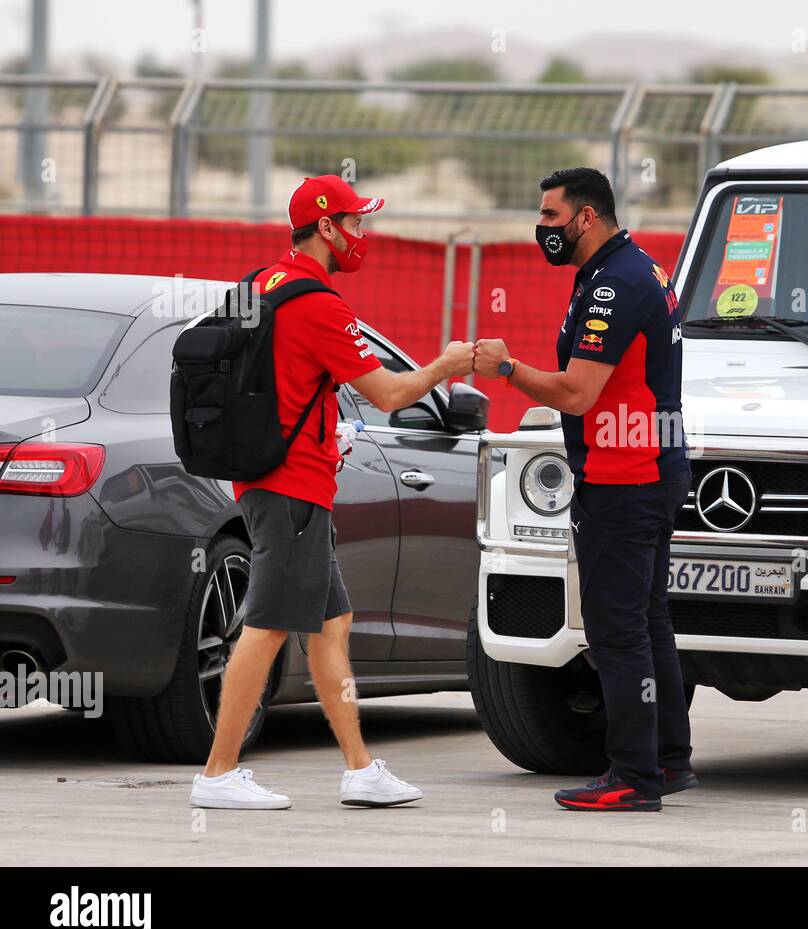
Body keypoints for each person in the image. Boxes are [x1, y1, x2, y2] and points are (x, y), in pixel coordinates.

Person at [190, 174, 475, 810]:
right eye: (356, 224)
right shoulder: (318, 303)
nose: (362, 236)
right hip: (291, 489)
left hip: (281, 480)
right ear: (326, 228)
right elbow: (392, 395)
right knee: (264, 627)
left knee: (331, 622)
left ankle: (359, 768)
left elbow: (284, 383)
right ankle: (217, 775)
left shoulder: (264, 283)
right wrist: (446, 367)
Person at [474, 167, 695, 812]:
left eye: (549, 215)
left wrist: (507, 368)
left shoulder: (614, 286)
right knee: (649, 622)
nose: (541, 228)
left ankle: (633, 776)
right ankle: (667, 759)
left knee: (617, 631)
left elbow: (576, 391)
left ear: (587, 217)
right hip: (651, 467)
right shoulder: (631, 269)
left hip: (624, 476)